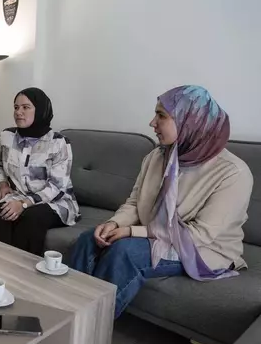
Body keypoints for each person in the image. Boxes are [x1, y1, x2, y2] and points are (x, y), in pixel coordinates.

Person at [68, 85, 253, 319]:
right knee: (88, 239)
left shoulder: (233, 173)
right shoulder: (157, 156)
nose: (152, 123)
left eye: (161, 115)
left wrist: (131, 231)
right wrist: (114, 223)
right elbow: (135, 203)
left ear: (190, 121)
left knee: (124, 252)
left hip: (202, 249)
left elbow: (200, 235)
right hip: (154, 234)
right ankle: (67, 311)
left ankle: (89, 328)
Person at [0, 87, 80, 255]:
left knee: (30, 219)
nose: (18, 112)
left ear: (41, 110)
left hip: (53, 202)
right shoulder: (6, 137)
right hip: (18, 195)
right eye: (16, 107)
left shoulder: (59, 143)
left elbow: (57, 187)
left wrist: (23, 204)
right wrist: (2, 184)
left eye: (25, 107)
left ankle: (24, 274)